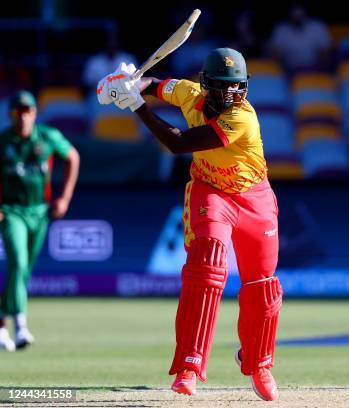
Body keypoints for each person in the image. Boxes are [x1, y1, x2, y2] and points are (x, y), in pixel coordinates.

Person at [96, 49, 282, 400]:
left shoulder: (242, 118)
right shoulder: (188, 92)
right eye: (224, 87)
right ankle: (189, 365)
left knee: (263, 287)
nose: (232, 95)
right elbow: (156, 84)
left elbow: (178, 143)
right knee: (206, 267)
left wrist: (135, 104)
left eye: (238, 88)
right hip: (211, 192)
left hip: (255, 198)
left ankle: (259, 364)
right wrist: (132, 81)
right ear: (206, 85)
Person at [0, 90, 80, 351]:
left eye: (27, 111)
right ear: (10, 114)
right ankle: (20, 326)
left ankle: (2, 324)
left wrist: (64, 198)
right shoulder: (3, 142)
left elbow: (72, 157)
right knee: (19, 262)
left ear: (35, 113)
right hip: (11, 211)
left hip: (40, 212)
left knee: (23, 271)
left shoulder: (47, 137)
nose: (22, 117)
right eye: (16, 112)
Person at [267, 4, 332, 73]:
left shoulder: (317, 27)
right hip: (289, 70)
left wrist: (320, 69)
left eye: (300, 15)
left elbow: (326, 51)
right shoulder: (281, 29)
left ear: (305, 14)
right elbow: (275, 53)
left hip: (314, 69)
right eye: (295, 15)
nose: (297, 17)